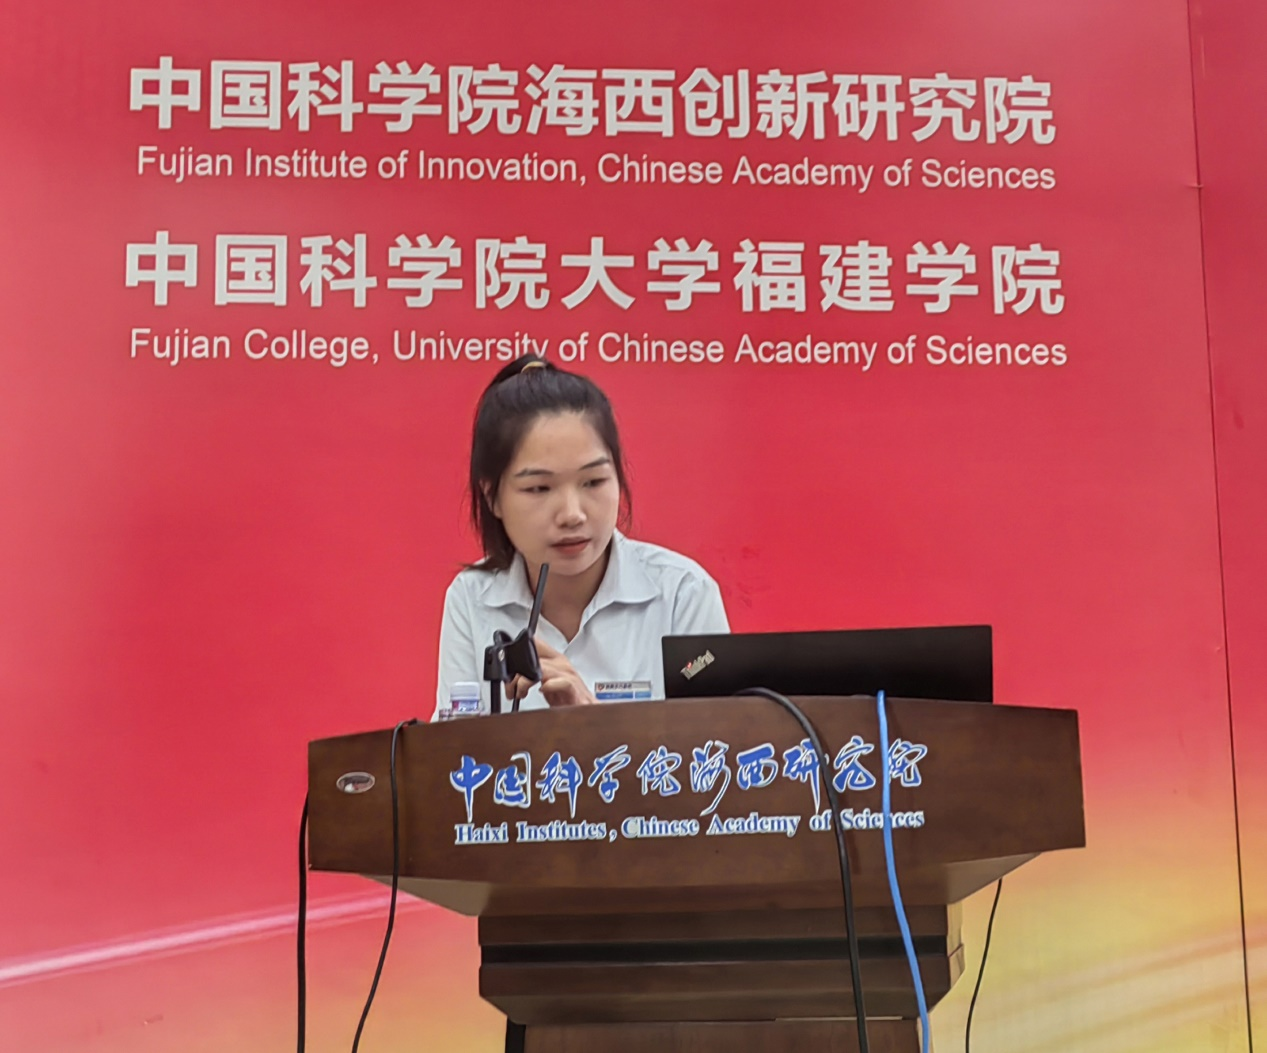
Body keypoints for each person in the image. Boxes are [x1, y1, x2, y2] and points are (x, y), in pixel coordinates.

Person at [435, 355, 729, 717]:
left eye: (593, 482)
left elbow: (715, 745)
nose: (572, 514)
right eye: (539, 488)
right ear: (492, 496)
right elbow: (455, 746)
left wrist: (590, 723)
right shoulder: (472, 598)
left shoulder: (683, 594)